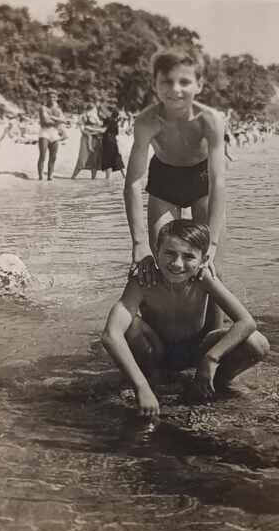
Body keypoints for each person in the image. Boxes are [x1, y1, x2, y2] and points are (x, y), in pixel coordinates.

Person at [101, 220, 269, 419]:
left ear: (204, 259)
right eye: (170, 253)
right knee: (131, 326)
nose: (177, 264)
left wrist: (211, 358)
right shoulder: (143, 281)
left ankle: (213, 383)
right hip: (157, 356)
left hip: (196, 353)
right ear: (156, 251)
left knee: (257, 343)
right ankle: (154, 383)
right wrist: (141, 388)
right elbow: (111, 334)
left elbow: (246, 322)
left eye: (188, 256)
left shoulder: (204, 278)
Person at [123, 47, 226, 286]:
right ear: (155, 84)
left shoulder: (210, 120)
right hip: (164, 179)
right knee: (159, 262)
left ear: (199, 85)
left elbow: (218, 180)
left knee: (212, 268)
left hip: (202, 181)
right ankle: (163, 319)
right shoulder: (146, 121)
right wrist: (138, 244)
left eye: (184, 81)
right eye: (167, 81)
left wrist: (213, 242)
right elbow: (133, 183)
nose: (175, 89)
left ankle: (215, 323)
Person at [37, 90, 65, 181]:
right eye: (50, 97)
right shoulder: (43, 108)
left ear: (56, 98)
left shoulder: (58, 109)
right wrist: (58, 121)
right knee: (43, 155)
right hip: (44, 132)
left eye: (54, 97)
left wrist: (53, 118)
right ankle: (41, 176)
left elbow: (64, 120)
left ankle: (50, 175)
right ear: (47, 98)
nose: (52, 99)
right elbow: (45, 121)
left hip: (54, 133)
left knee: (53, 156)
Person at [71, 106, 104, 179]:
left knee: (94, 160)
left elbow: (102, 127)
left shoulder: (97, 116)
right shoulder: (83, 116)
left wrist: (92, 130)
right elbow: (82, 130)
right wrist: (93, 132)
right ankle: (73, 177)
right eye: (93, 109)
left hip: (96, 139)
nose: (94, 111)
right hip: (86, 138)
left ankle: (93, 179)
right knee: (83, 158)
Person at [100, 108, 125, 181]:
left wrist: (90, 130)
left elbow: (103, 130)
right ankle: (124, 176)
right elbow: (116, 133)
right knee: (116, 156)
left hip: (107, 140)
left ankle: (107, 178)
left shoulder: (108, 120)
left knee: (108, 158)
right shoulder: (115, 122)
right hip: (113, 140)